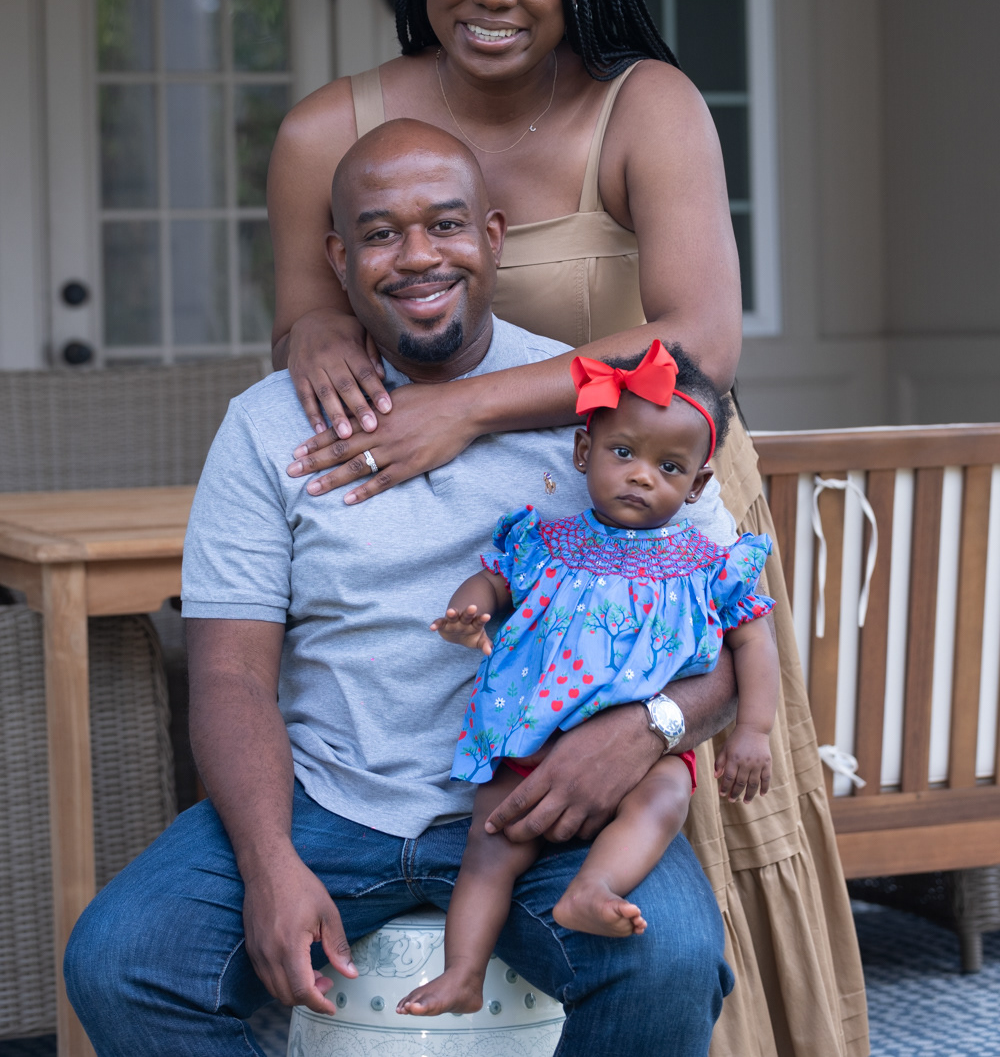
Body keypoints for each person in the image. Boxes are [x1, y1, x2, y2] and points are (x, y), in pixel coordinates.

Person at [267, 0, 868, 1056]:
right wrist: (314, 328)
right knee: (491, 801)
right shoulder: (329, 127)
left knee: (676, 822)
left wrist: (471, 406)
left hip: (657, 513)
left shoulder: (645, 103)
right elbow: (306, 310)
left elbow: (697, 343)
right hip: (477, 536)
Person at [64, 123, 736, 1057]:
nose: (418, 256)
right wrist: (269, 861)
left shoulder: (607, 414)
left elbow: (733, 642)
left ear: (493, 237)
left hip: (542, 804)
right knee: (121, 960)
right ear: (339, 259)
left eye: (446, 225)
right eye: (380, 233)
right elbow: (229, 678)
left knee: (672, 961)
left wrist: (646, 730)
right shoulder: (265, 426)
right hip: (324, 801)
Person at [398, 341, 779, 1020]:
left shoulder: (708, 564)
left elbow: (754, 640)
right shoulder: (546, 543)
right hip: (531, 730)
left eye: (668, 467)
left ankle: (593, 887)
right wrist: (467, 612)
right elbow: (492, 581)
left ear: (696, 486)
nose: (640, 477)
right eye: (622, 452)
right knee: (490, 845)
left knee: (666, 798)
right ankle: (462, 973)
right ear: (584, 451)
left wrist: (753, 729)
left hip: (643, 752)